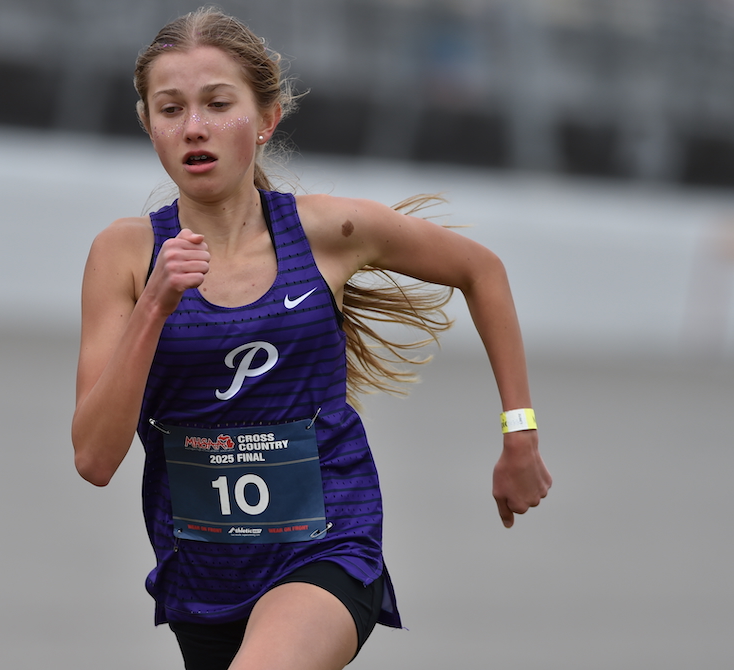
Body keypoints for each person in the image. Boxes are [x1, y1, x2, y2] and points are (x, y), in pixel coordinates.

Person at [72, 7, 552, 670]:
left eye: (217, 104)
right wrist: (155, 303)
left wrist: (519, 431)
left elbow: (481, 270)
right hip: (203, 574)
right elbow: (94, 460)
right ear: (148, 124)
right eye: (170, 108)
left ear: (266, 119)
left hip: (328, 545)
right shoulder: (123, 256)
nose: (195, 128)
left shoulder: (328, 233)